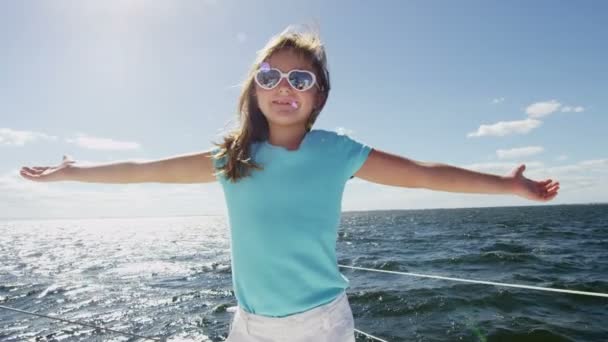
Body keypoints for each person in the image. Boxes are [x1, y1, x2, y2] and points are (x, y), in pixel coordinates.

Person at [20, 25, 559, 342]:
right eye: (269, 76)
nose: (284, 87)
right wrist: (74, 172)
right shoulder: (232, 157)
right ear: (253, 90)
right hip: (249, 325)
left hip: (320, 324)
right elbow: (142, 171)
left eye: (300, 78)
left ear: (318, 95)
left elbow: (423, 175)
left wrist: (506, 186)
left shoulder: (337, 152)